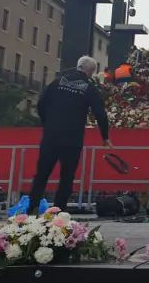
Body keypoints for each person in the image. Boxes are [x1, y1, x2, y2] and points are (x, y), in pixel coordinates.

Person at [28, 56, 113, 213]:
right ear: (91, 71)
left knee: (42, 173)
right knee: (67, 176)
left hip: (51, 135)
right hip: (72, 138)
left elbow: (41, 104)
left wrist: (47, 123)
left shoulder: (57, 82)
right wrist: (105, 137)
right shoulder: (89, 88)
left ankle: (31, 209)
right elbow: (100, 114)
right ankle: (59, 212)